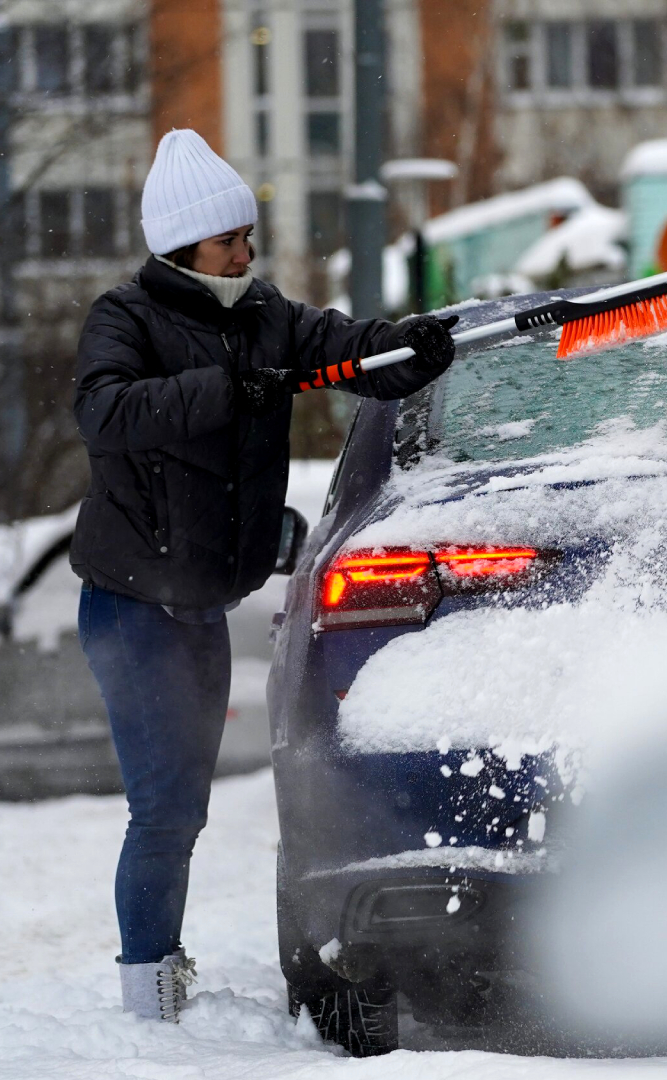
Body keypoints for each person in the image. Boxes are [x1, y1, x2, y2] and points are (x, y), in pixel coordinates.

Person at [70, 129, 458, 1022]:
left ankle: (158, 970)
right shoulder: (123, 317)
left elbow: (348, 348)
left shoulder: (266, 314)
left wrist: (412, 346)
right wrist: (227, 386)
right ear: (179, 247)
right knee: (165, 810)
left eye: (248, 237)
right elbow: (104, 412)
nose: (245, 254)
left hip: (200, 603)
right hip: (131, 603)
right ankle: (148, 991)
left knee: (186, 808)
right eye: (227, 242)